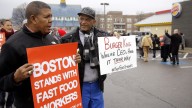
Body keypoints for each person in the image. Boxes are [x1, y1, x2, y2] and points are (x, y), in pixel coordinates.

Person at [0, 1, 81, 108]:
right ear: (33, 19)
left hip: (55, 102)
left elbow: (59, 70)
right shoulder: (12, 45)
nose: (51, 20)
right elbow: (1, 81)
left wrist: (72, 60)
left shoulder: (53, 39)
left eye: (51, 16)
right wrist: (15, 78)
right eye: (47, 17)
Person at [61, 7, 108, 108]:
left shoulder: (103, 36)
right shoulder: (67, 39)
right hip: (78, 86)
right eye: (81, 19)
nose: (83, 22)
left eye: (87, 19)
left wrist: (117, 37)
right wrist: (72, 61)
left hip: (97, 85)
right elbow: (59, 64)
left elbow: (114, 50)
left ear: (93, 21)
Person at [0, 19, 14, 108]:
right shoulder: (0, 37)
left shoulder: (14, 36)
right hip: (1, 66)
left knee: (12, 88)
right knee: (1, 88)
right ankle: (1, 104)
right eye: (7, 25)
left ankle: (9, 105)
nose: (10, 27)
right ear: (2, 26)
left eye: (10, 25)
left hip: (12, 65)